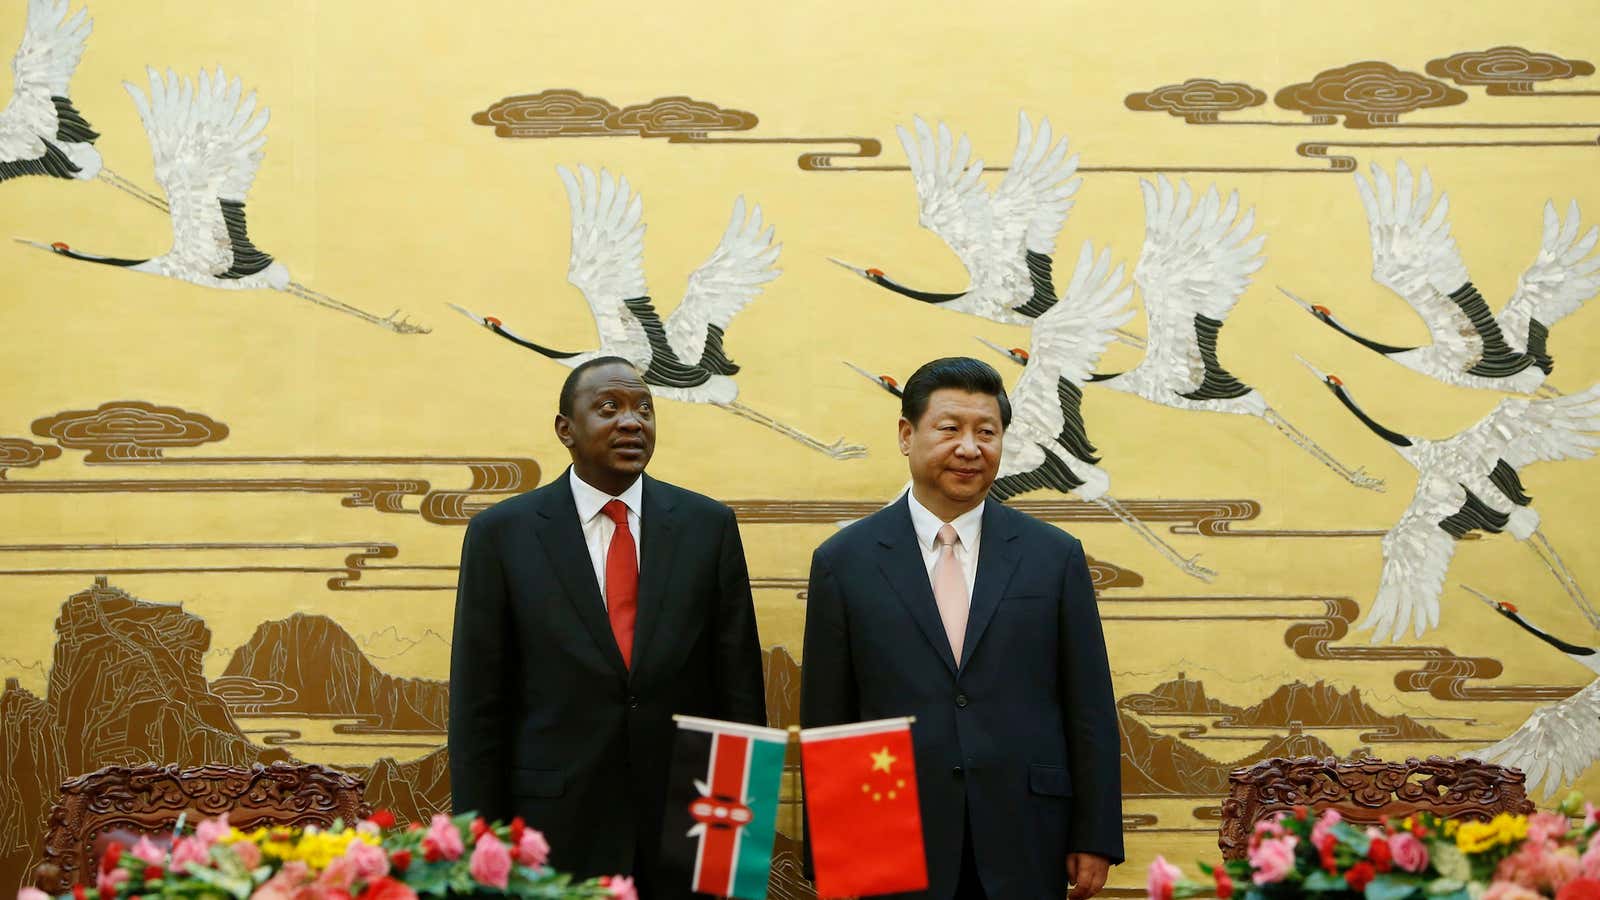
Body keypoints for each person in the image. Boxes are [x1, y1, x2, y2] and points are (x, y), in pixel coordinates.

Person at [800, 356, 1123, 899]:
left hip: (1026, 834)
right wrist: (833, 848)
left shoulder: (1053, 556)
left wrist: (1094, 834)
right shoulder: (844, 560)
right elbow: (829, 720)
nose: (970, 448)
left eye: (987, 432)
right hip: (892, 834)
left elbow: (1089, 705)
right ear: (907, 435)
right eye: (950, 429)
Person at [449, 356, 767, 897]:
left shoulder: (707, 527)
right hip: (550, 829)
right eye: (608, 408)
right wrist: (483, 844)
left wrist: (741, 844)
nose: (632, 421)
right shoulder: (502, 535)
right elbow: (479, 705)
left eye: (644, 409)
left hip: (687, 824)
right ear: (565, 429)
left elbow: (738, 692)